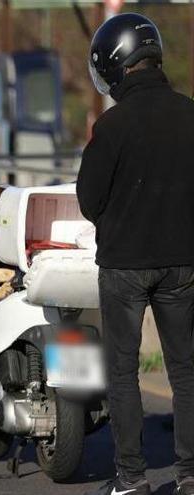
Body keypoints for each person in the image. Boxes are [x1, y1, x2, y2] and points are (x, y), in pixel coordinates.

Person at [79, 13, 194, 495]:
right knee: (185, 369)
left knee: (123, 371)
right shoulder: (191, 113)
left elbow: (89, 202)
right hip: (184, 262)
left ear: (115, 64)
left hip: (125, 266)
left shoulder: (111, 126)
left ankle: (132, 479)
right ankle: (190, 475)